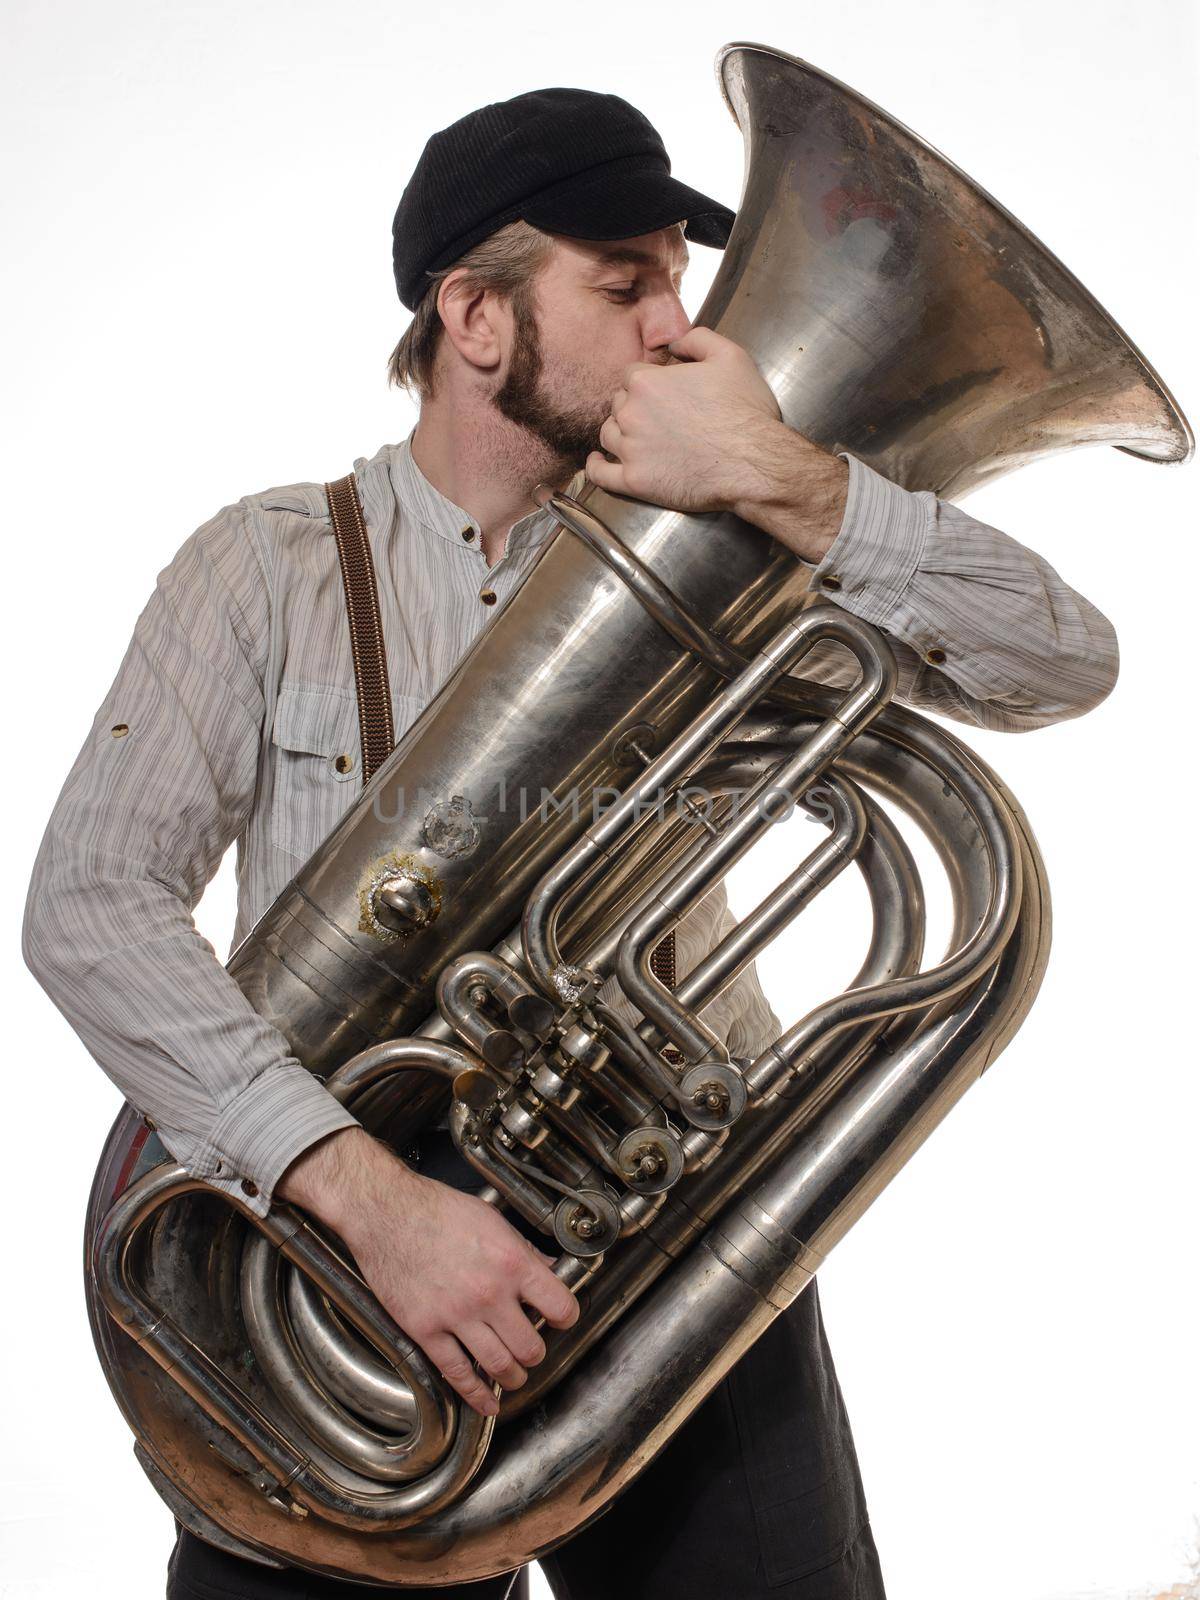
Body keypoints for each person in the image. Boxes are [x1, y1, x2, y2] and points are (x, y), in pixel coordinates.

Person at [23, 85, 1118, 1600]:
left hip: (678, 1249)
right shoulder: (258, 570)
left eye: (681, 273)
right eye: (629, 283)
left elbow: (1060, 664)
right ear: (474, 320)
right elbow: (89, 910)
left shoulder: (756, 540)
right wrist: (365, 1195)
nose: (685, 326)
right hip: (333, 1284)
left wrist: (790, 480)